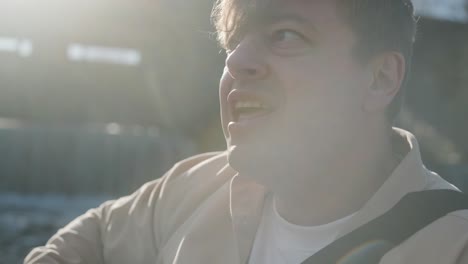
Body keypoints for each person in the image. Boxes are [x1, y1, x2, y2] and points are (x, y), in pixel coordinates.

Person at [25, 0, 468, 263]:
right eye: (233, 42)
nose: (237, 62)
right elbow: (93, 238)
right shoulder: (190, 189)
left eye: (286, 35)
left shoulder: (452, 247)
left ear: (379, 79)